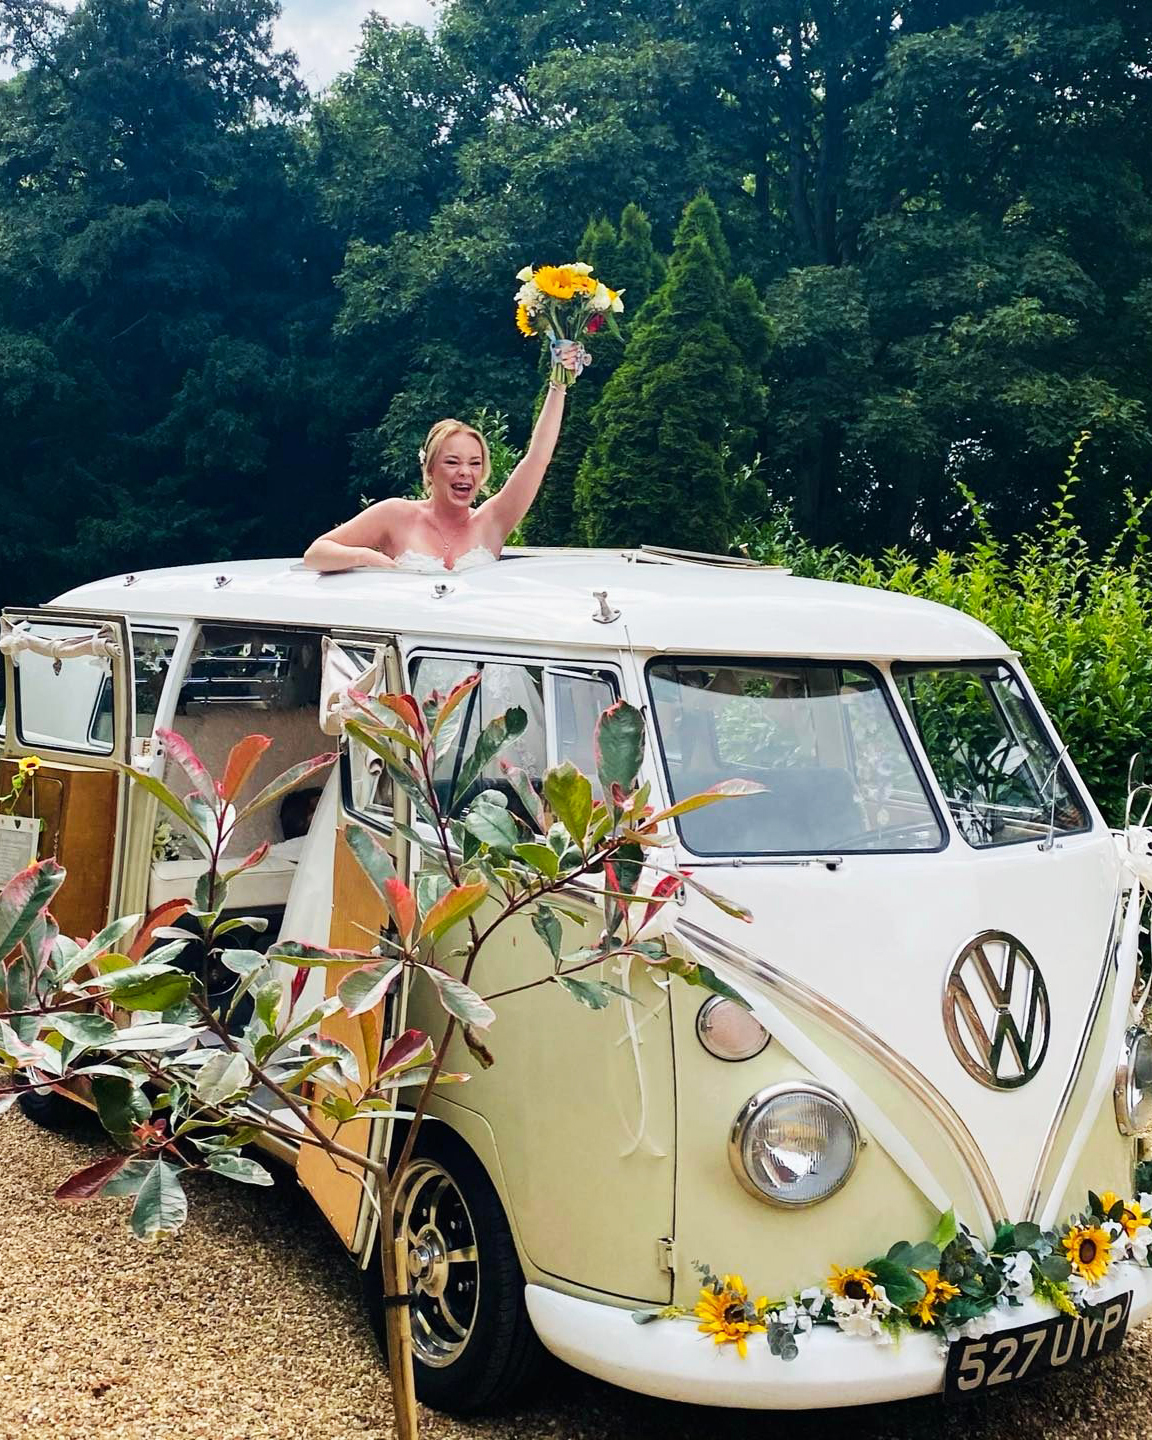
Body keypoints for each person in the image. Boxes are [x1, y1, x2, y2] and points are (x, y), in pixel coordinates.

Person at [303, 347, 581, 574]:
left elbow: (537, 458)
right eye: (452, 462)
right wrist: (367, 557)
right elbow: (316, 554)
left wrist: (558, 385)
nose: (465, 472)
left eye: (475, 463)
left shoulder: (493, 520)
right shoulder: (395, 514)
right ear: (430, 468)